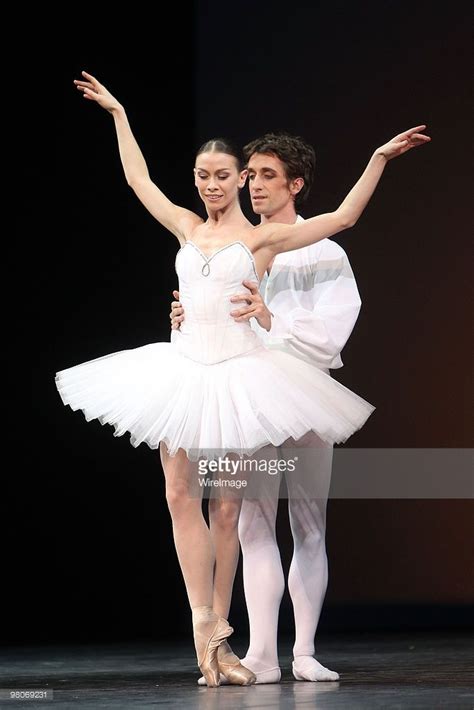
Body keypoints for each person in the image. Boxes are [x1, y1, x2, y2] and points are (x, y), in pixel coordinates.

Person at [56, 70, 430, 688]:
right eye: (206, 175)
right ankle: (207, 627)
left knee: (231, 509)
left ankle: (238, 641)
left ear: (238, 180)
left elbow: (342, 218)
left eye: (229, 175)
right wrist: (120, 115)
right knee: (182, 497)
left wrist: (378, 157)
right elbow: (136, 180)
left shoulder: (264, 240)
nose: (217, 184)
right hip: (183, 373)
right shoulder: (184, 225)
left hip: (240, 381)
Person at [172, 132, 361, 684]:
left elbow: (332, 331)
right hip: (250, 400)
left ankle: (303, 650)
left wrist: (271, 321)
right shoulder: (235, 246)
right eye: (249, 174)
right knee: (252, 522)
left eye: (267, 175)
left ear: (295, 184)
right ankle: (259, 652)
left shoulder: (323, 250)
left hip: (305, 398)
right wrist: (189, 319)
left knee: (309, 523)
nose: (253, 185)